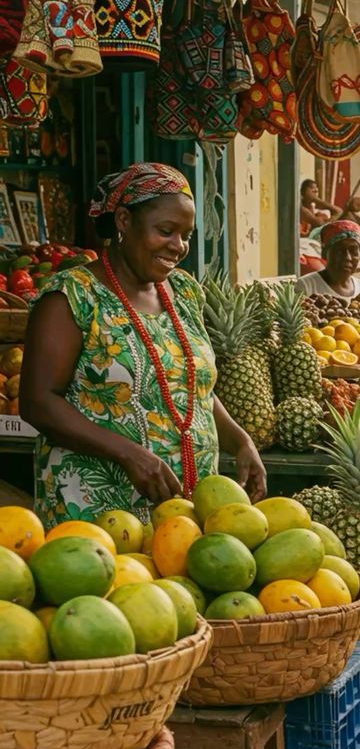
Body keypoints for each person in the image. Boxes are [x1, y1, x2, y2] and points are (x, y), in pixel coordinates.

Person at [19, 163, 266, 529]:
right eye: (166, 231)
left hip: (184, 510)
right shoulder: (71, 296)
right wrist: (128, 454)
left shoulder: (183, 291)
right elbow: (38, 403)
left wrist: (241, 441)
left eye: (186, 235)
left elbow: (190, 386)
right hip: (96, 511)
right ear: (123, 220)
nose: (179, 246)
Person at [295, 220, 360, 301]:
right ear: (324, 253)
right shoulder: (306, 286)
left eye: (353, 251)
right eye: (339, 250)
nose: (347, 257)